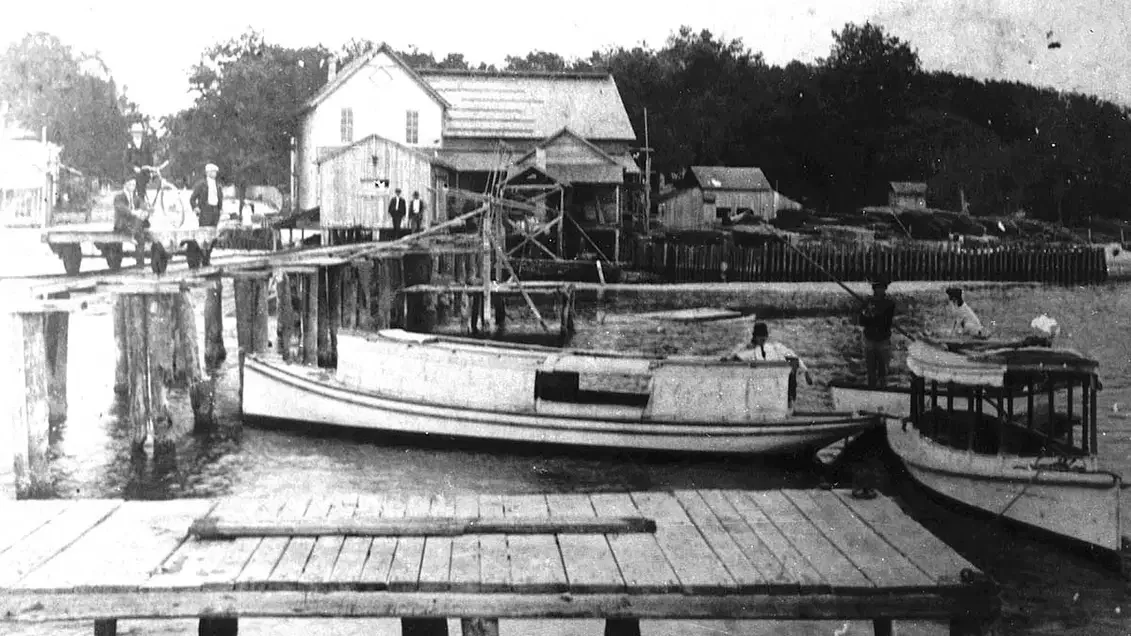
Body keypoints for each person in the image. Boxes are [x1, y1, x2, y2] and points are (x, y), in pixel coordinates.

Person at [726, 322, 813, 385]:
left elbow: (794, 357)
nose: (762, 339)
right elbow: (733, 357)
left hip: (775, 380)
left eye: (764, 336)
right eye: (759, 336)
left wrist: (806, 372)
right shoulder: (746, 348)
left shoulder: (775, 347)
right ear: (755, 337)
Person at [858, 273, 896, 388]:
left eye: (882, 287)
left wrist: (873, 314)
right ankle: (871, 391)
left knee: (883, 372)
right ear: (874, 289)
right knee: (871, 371)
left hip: (883, 341)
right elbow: (862, 321)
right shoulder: (867, 303)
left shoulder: (889, 304)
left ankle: (883, 392)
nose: (880, 290)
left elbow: (886, 322)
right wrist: (867, 314)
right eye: (878, 287)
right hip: (869, 340)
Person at [190, 163, 224, 227]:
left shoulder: (218, 185)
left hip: (215, 211)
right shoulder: (201, 185)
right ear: (208, 173)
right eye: (213, 171)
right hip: (205, 211)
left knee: (214, 231)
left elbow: (220, 198)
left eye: (215, 172)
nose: (215, 173)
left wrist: (220, 208)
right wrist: (195, 207)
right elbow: (192, 199)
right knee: (204, 232)